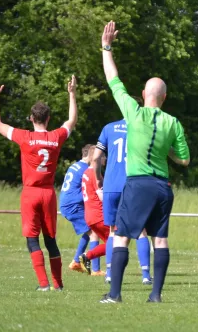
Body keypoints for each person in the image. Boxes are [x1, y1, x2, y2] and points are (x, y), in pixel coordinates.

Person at [98, 21, 190, 303]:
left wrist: (106, 47)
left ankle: (114, 295)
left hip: (137, 184)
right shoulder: (173, 122)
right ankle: (156, 295)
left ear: (143, 95)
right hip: (162, 186)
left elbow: (113, 79)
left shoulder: (133, 113)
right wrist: (167, 154)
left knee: (123, 236)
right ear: (164, 98)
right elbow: (184, 160)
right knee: (159, 240)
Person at [0, 75, 77, 291]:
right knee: (51, 240)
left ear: (31, 118)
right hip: (48, 194)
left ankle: (43, 284)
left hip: (30, 194)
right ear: (48, 119)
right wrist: (72, 94)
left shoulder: (25, 137)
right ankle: (58, 284)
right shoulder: (56, 137)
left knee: (32, 239)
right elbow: (72, 121)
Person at [92, 119, 153, 285]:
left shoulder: (108, 127)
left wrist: (98, 179)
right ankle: (146, 275)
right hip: (133, 185)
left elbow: (96, 157)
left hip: (111, 185)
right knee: (141, 231)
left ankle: (110, 273)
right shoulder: (143, 128)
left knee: (113, 231)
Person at [59, 144, 103, 275]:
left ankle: (76, 262)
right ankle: (95, 269)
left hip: (68, 203)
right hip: (73, 205)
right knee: (95, 233)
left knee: (89, 230)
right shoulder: (86, 170)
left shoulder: (75, 165)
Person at [79, 144, 109, 272]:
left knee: (111, 242)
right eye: (103, 156)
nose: (105, 158)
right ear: (96, 157)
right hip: (99, 214)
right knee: (117, 240)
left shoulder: (86, 172)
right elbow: (101, 195)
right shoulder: (95, 174)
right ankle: (111, 272)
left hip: (90, 215)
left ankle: (87, 256)